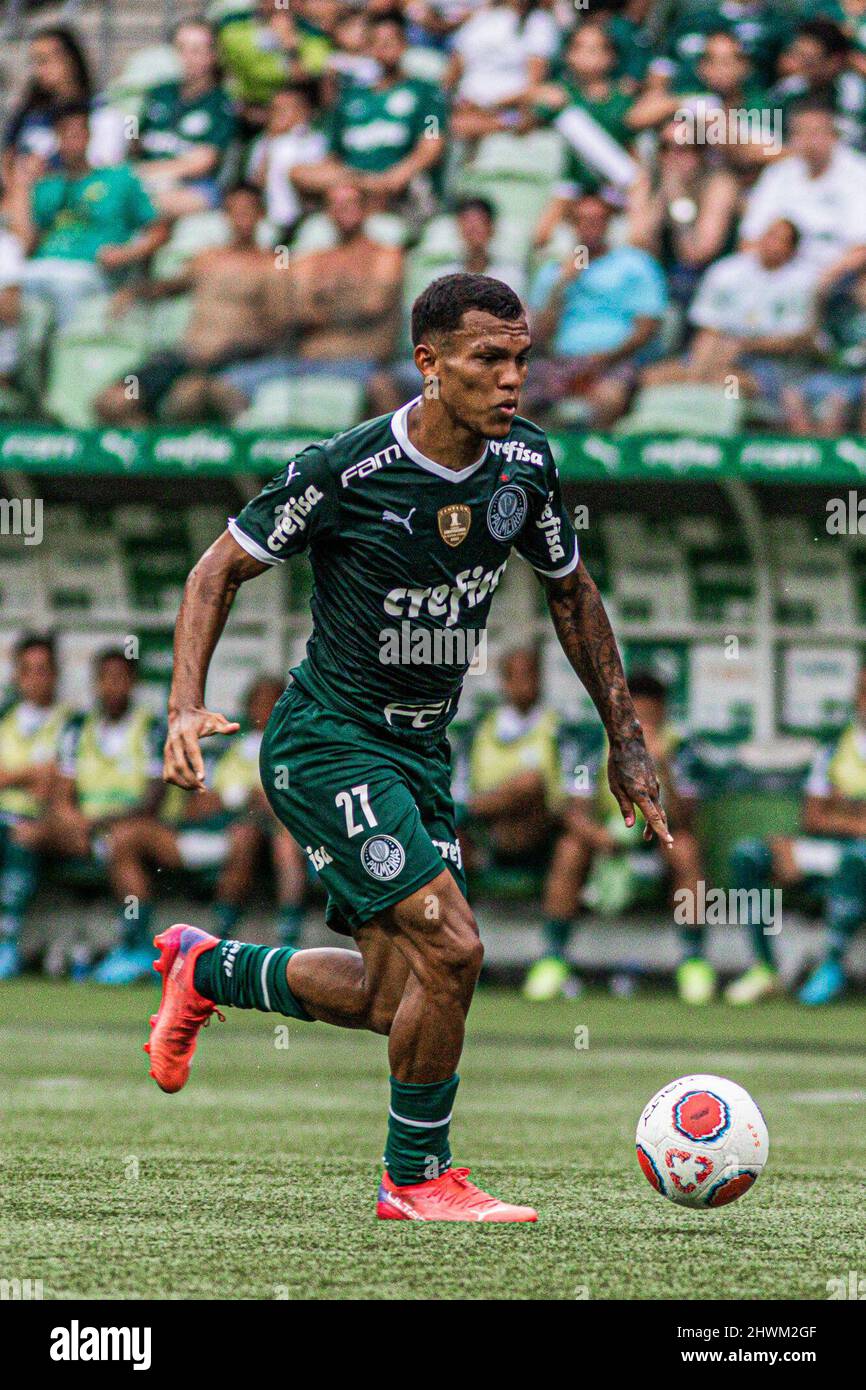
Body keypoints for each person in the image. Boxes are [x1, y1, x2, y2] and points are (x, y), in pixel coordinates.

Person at [149, 271, 670, 1223]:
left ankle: (208, 968)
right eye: (488, 360)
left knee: (400, 999)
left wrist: (625, 740)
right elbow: (215, 571)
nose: (512, 380)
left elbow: (571, 594)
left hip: (423, 755)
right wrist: (184, 706)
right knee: (458, 953)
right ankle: (416, 1180)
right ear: (430, 365)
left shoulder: (526, 468)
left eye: (521, 359)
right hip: (328, 743)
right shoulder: (344, 471)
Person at [521, 670, 710, 1004]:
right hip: (607, 835)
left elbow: (686, 820)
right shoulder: (596, 744)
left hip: (658, 839)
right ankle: (553, 957)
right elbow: (573, 810)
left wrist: (661, 765)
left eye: (652, 716)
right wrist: (598, 836)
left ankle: (693, 961)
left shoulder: (682, 748)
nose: (645, 724)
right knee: (569, 847)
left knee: (686, 850)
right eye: (638, 715)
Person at [110, 675, 308, 951]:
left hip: (251, 839)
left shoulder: (294, 750)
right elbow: (195, 805)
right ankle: (134, 943)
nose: (265, 709)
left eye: (273, 702)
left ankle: (216, 940)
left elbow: (288, 804)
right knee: (124, 837)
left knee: (247, 835)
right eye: (258, 702)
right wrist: (238, 797)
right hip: (202, 834)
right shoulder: (225, 748)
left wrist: (253, 802)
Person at [16, 648, 165, 985]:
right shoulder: (77, 728)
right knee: (24, 832)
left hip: (137, 827)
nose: (112, 686)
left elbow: (152, 800)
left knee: (120, 840)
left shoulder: (150, 728)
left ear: (133, 682)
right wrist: (73, 821)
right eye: (105, 679)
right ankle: (10, 940)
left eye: (120, 678)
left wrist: (97, 823)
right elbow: (63, 794)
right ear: (95, 684)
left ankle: (138, 945)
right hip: (85, 830)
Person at [727, 660, 866, 1006]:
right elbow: (815, 817)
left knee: (857, 858)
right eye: (862, 693)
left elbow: (832, 812)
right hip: (831, 849)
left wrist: (844, 807)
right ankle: (766, 966)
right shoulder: (835, 748)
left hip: (856, 855)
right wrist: (854, 818)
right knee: (750, 855)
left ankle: (831, 964)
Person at [213, 181, 403, 418]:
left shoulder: (387, 255)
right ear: (327, 212)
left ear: (366, 208)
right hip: (303, 363)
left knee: (383, 390)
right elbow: (292, 312)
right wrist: (345, 298)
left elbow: (372, 305)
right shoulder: (313, 260)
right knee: (226, 385)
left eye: (350, 203)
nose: (342, 209)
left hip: (362, 363)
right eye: (335, 204)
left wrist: (320, 301)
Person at [96, 182, 280, 426]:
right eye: (234, 211)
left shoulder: (273, 266)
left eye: (247, 211)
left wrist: (243, 346)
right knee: (112, 402)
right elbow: (169, 287)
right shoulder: (207, 259)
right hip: (183, 357)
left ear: (261, 215)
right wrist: (131, 292)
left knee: (184, 402)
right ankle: (151, 458)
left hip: (227, 361)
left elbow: (279, 324)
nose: (240, 218)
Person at [641, 218, 820, 421]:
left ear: (792, 249)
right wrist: (699, 369)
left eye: (781, 240)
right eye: (770, 236)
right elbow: (708, 328)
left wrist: (742, 346)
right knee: (653, 377)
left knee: (728, 384)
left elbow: (794, 340)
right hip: (717, 354)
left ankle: (723, 437)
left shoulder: (803, 282)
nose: (772, 244)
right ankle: (659, 435)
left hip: (767, 364)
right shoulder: (727, 271)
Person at [17, 105, 168, 331]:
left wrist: (126, 253)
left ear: (89, 136)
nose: (71, 142)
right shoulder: (46, 186)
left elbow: (160, 229)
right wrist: (23, 185)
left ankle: (69, 351)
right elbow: (26, 242)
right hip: (43, 265)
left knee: (66, 285)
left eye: (77, 134)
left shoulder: (120, 178)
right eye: (65, 135)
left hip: (91, 270)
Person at [526, 191, 668, 425]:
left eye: (597, 220)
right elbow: (539, 336)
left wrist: (604, 358)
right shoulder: (554, 273)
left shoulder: (636, 264)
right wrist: (561, 286)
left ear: (608, 223)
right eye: (583, 220)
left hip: (616, 361)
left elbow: (647, 327)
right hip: (562, 361)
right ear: (572, 225)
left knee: (608, 399)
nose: (590, 227)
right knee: (516, 402)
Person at [292, 12, 446, 221]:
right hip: (356, 184)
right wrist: (365, 182)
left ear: (404, 44)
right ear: (368, 48)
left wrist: (395, 177)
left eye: (390, 41)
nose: (383, 48)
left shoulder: (426, 93)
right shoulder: (349, 99)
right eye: (376, 42)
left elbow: (431, 146)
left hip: (400, 187)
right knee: (298, 172)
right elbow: (332, 157)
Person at [739, 100, 866, 296]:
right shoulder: (778, 173)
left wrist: (822, 279)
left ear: (834, 136)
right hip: (778, 271)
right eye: (801, 133)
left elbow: (860, 248)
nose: (809, 141)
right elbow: (749, 239)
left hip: (836, 275)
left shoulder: (858, 173)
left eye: (816, 133)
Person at [0, 635, 69, 980]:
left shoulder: (70, 721)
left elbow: (55, 784)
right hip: (3, 815)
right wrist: (30, 773)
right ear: (17, 675)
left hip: (41, 819)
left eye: (43, 670)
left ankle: (6, 943)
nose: (35, 679)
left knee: (22, 837)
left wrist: (12, 776)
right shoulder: (5, 718)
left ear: (55, 674)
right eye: (27, 671)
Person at [133, 18, 238, 219]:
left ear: (213, 55)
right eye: (181, 49)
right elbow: (135, 143)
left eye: (196, 50)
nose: (187, 57)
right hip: (146, 179)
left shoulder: (221, 103)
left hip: (195, 187)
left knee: (141, 204)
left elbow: (201, 163)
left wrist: (141, 175)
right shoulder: (158, 93)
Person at [245, 81, 328, 238]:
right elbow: (255, 184)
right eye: (275, 110)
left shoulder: (315, 140)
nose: (278, 115)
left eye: (285, 109)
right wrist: (271, 141)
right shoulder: (262, 142)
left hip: (309, 216)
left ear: (303, 112)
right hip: (270, 219)